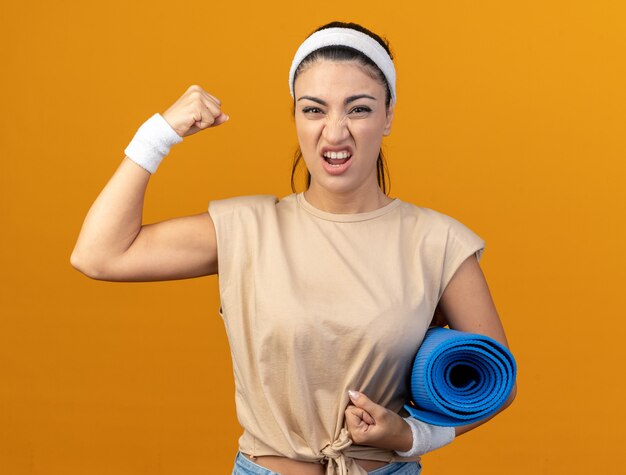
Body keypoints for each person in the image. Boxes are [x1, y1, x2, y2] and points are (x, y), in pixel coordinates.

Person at [71, 21, 516, 475]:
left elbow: (498, 386)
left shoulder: (438, 242)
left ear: (388, 116)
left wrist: (410, 436)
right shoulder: (246, 228)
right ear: (296, 117)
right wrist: (158, 134)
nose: (335, 131)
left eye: (358, 109)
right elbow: (99, 254)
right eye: (314, 109)